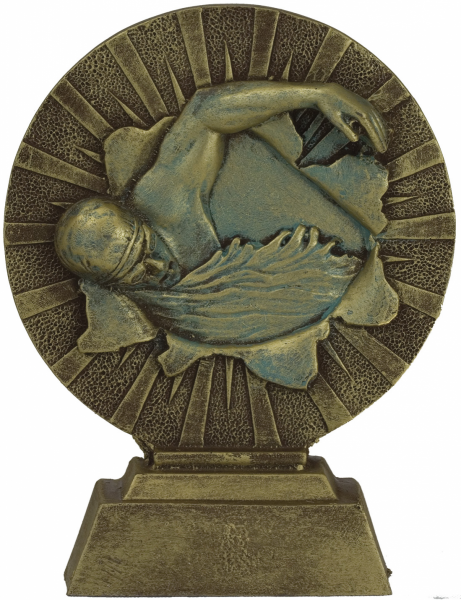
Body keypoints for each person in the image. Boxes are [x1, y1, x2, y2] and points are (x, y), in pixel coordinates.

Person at [54, 81, 397, 386]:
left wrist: (317, 94)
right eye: (134, 274)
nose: (158, 268)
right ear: (112, 286)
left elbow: (204, 112)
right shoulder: (149, 307)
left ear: (139, 218)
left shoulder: (165, 198)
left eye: (147, 248)